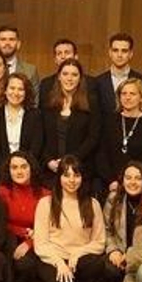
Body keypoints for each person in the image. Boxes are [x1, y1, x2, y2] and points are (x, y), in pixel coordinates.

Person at [33, 157, 108, 282]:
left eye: (76, 175)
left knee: (98, 265)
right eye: (66, 175)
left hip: (80, 260)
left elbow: (99, 242)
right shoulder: (46, 203)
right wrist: (59, 262)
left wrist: (78, 253)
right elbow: (40, 244)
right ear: (59, 177)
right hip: (54, 259)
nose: (72, 180)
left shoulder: (93, 204)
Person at [37, 59, 99, 189]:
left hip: (79, 171)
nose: (69, 78)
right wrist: (49, 161)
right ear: (59, 77)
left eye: (74, 75)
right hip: (51, 172)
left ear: (80, 78)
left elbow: (93, 138)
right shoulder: (48, 103)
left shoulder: (90, 103)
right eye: (65, 74)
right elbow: (40, 136)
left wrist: (70, 162)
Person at [97, 77, 142, 184]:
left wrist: (133, 180)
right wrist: (112, 181)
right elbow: (102, 155)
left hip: (141, 181)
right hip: (112, 183)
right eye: (124, 94)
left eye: (132, 94)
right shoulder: (109, 121)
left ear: (141, 98)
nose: (127, 97)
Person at [0, 151, 44, 282]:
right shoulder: (2, 192)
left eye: (24, 167)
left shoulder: (45, 194)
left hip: (37, 240)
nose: (19, 171)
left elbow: (49, 228)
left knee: (25, 264)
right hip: (8, 239)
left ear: (32, 169)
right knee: (8, 238)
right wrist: (24, 232)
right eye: (14, 167)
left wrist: (30, 242)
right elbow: (0, 223)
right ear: (9, 171)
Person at [101, 161, 142, 282]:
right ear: (122, 180)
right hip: (119, 252)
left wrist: (131, 255)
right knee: (109, 269)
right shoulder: (114, 199)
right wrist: (113, 250)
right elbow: (106, 229)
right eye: (128, 178)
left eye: (138, 178)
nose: (132, 182)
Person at [0, 72, 40, 182]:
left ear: (26, 93)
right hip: (0, 174)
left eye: (21, 89)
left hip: (27, 174)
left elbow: (36, 146)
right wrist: (7, 170)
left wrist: (22, 169)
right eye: (12, 88)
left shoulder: (35, 115)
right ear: (5, 90)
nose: (16, 93)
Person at [93, 32, 142, 115]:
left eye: (124, 51)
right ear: (110, 53)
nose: (119, 55)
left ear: (131, 54)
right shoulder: (97, 82)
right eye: (115, 50)